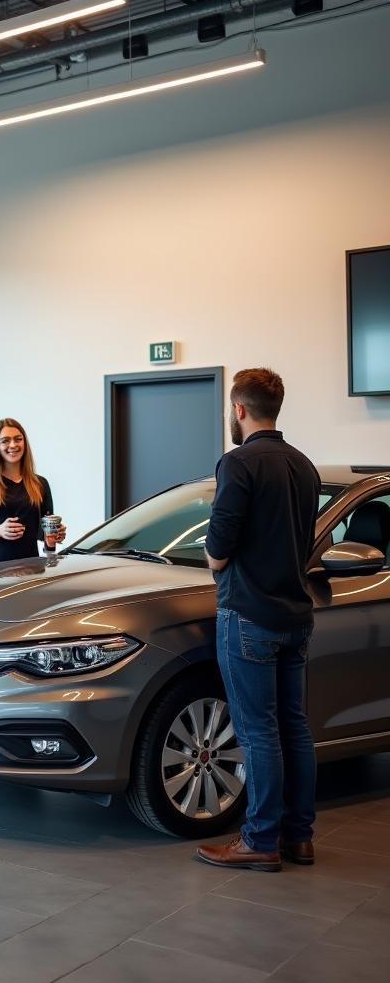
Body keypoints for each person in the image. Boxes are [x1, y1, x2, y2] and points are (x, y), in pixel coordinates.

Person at [196, 368, 320, 873]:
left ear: (239, 409)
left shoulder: (238, 463)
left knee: (258, 732)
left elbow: (220, 548)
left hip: (248, 615)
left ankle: (260, 840)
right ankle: (300, 837)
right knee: (294, 727)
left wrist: (213, 558)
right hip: (295, 614)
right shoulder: (305, 466)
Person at [0, 417, 65, 567]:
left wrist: (54, 535)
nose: (13, 445)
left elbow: (44, 534)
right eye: (5, 440)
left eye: (18, 439)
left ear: (24, 443)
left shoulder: (40, 484)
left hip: (30, 569)